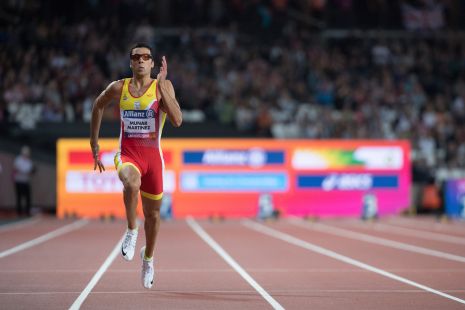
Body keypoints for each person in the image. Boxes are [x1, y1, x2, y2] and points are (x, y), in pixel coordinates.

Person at [90, 42, 182, 289]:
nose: (141, 60)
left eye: (146, 56)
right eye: (136, 57)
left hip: (153, 160)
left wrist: (162, 88)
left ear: (152, 63)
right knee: (131, 183)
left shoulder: (162, 87)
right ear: (131, 62)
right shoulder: (119, 88)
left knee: (152, 216)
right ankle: (131, 231)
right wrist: (94, 142)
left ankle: (148, 258)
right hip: (128, 154)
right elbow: (98, 105)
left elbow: (177, 120)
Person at [13, 146, 35, 217]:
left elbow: (30, 170)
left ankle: (28, 212)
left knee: (28, 197)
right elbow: (16, 169)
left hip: (26, 181)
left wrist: (31, 171)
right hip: (19, 181)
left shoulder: (29, 161)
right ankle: (19, 213)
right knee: (19, 197)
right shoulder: (18, 160)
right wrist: (24, 171)